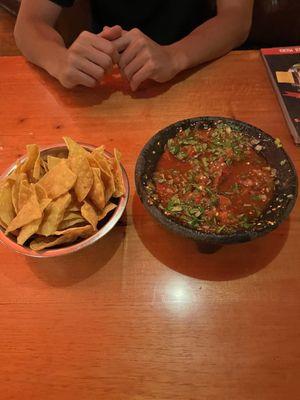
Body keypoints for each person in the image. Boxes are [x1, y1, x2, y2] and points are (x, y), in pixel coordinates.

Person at [14, 0, 254, 91]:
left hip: (197, 68)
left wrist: (174, 57)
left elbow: (236, 17)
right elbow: (29, 22)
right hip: (108, 80)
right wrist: (60, 59)